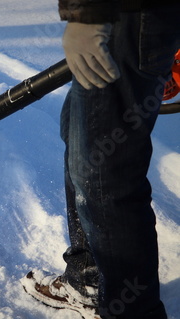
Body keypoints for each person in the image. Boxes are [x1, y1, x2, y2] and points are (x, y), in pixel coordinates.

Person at [21, 0, 180, 318]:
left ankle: (132, 311)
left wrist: (87, 16)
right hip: (128, 17)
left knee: (103, 174)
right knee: (79, 135)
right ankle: (90, 279)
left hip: (126, 15)